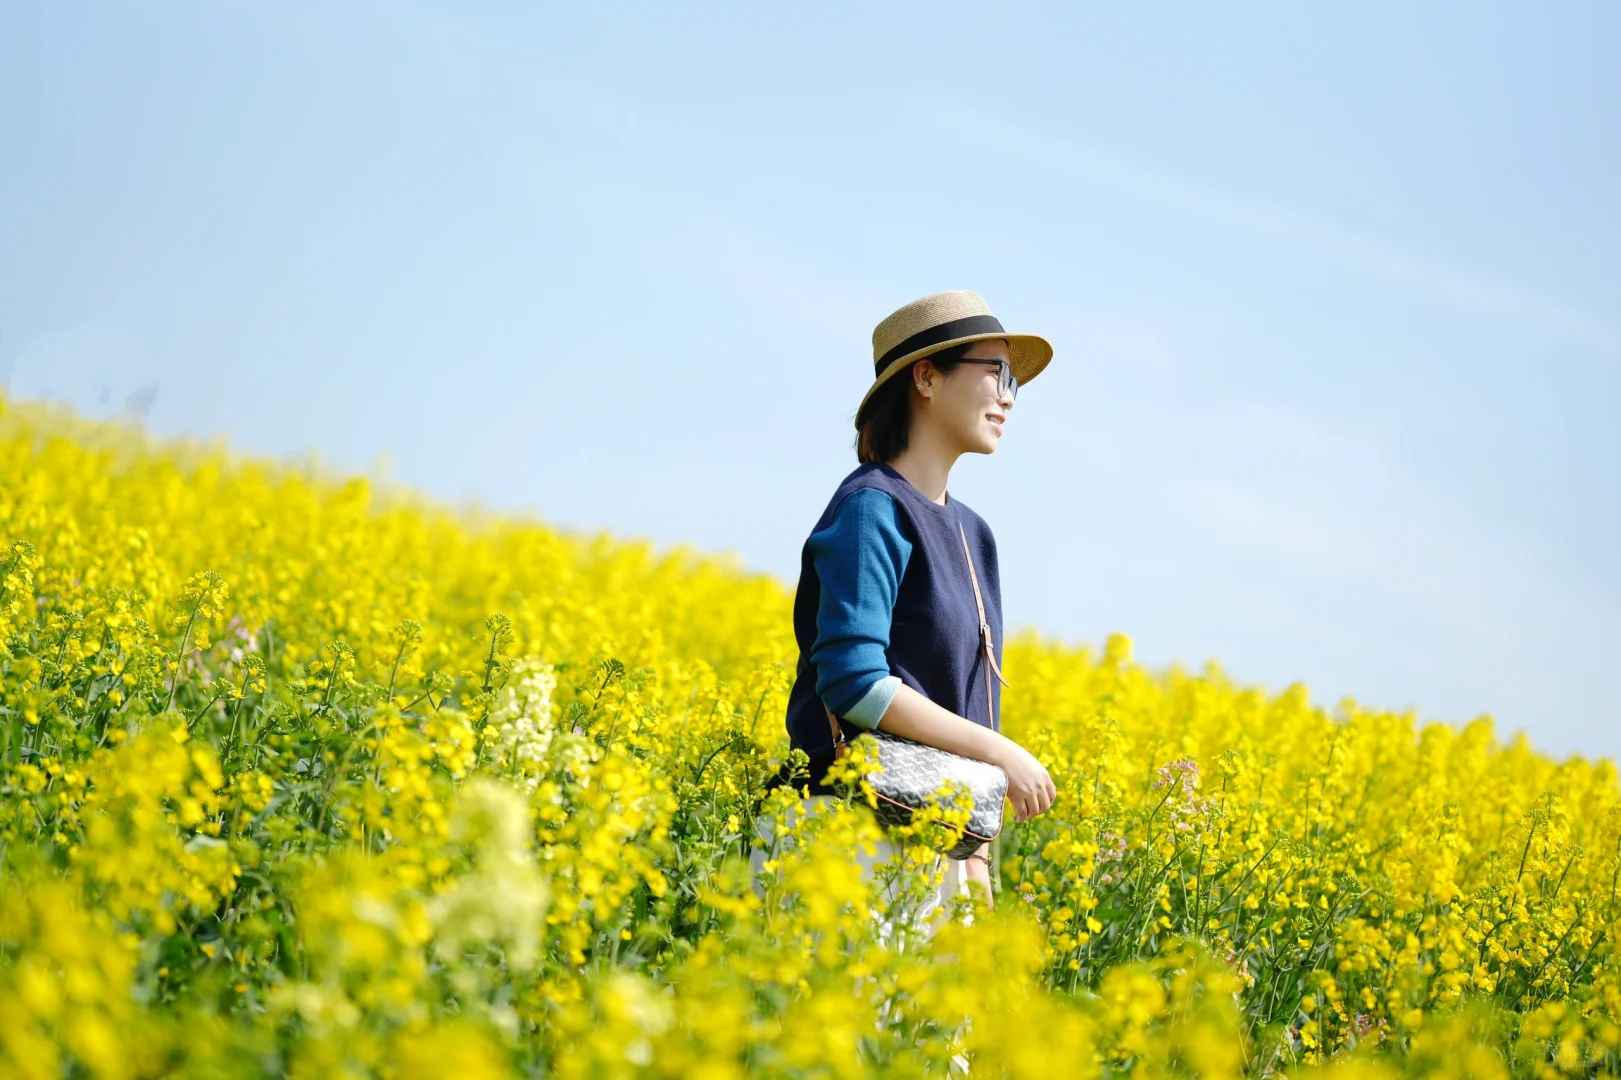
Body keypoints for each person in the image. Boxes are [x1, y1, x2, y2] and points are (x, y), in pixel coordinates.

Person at [751, 289, 1059, 927]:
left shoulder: (976, 537)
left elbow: (969, 699)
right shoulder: (872, 507)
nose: (1008, 396)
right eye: (995, 373)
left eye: (1015, 384)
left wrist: (974, 856)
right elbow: (855, 683)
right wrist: (1003, 756)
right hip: (846, 839)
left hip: (936, 843)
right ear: (925, 376)